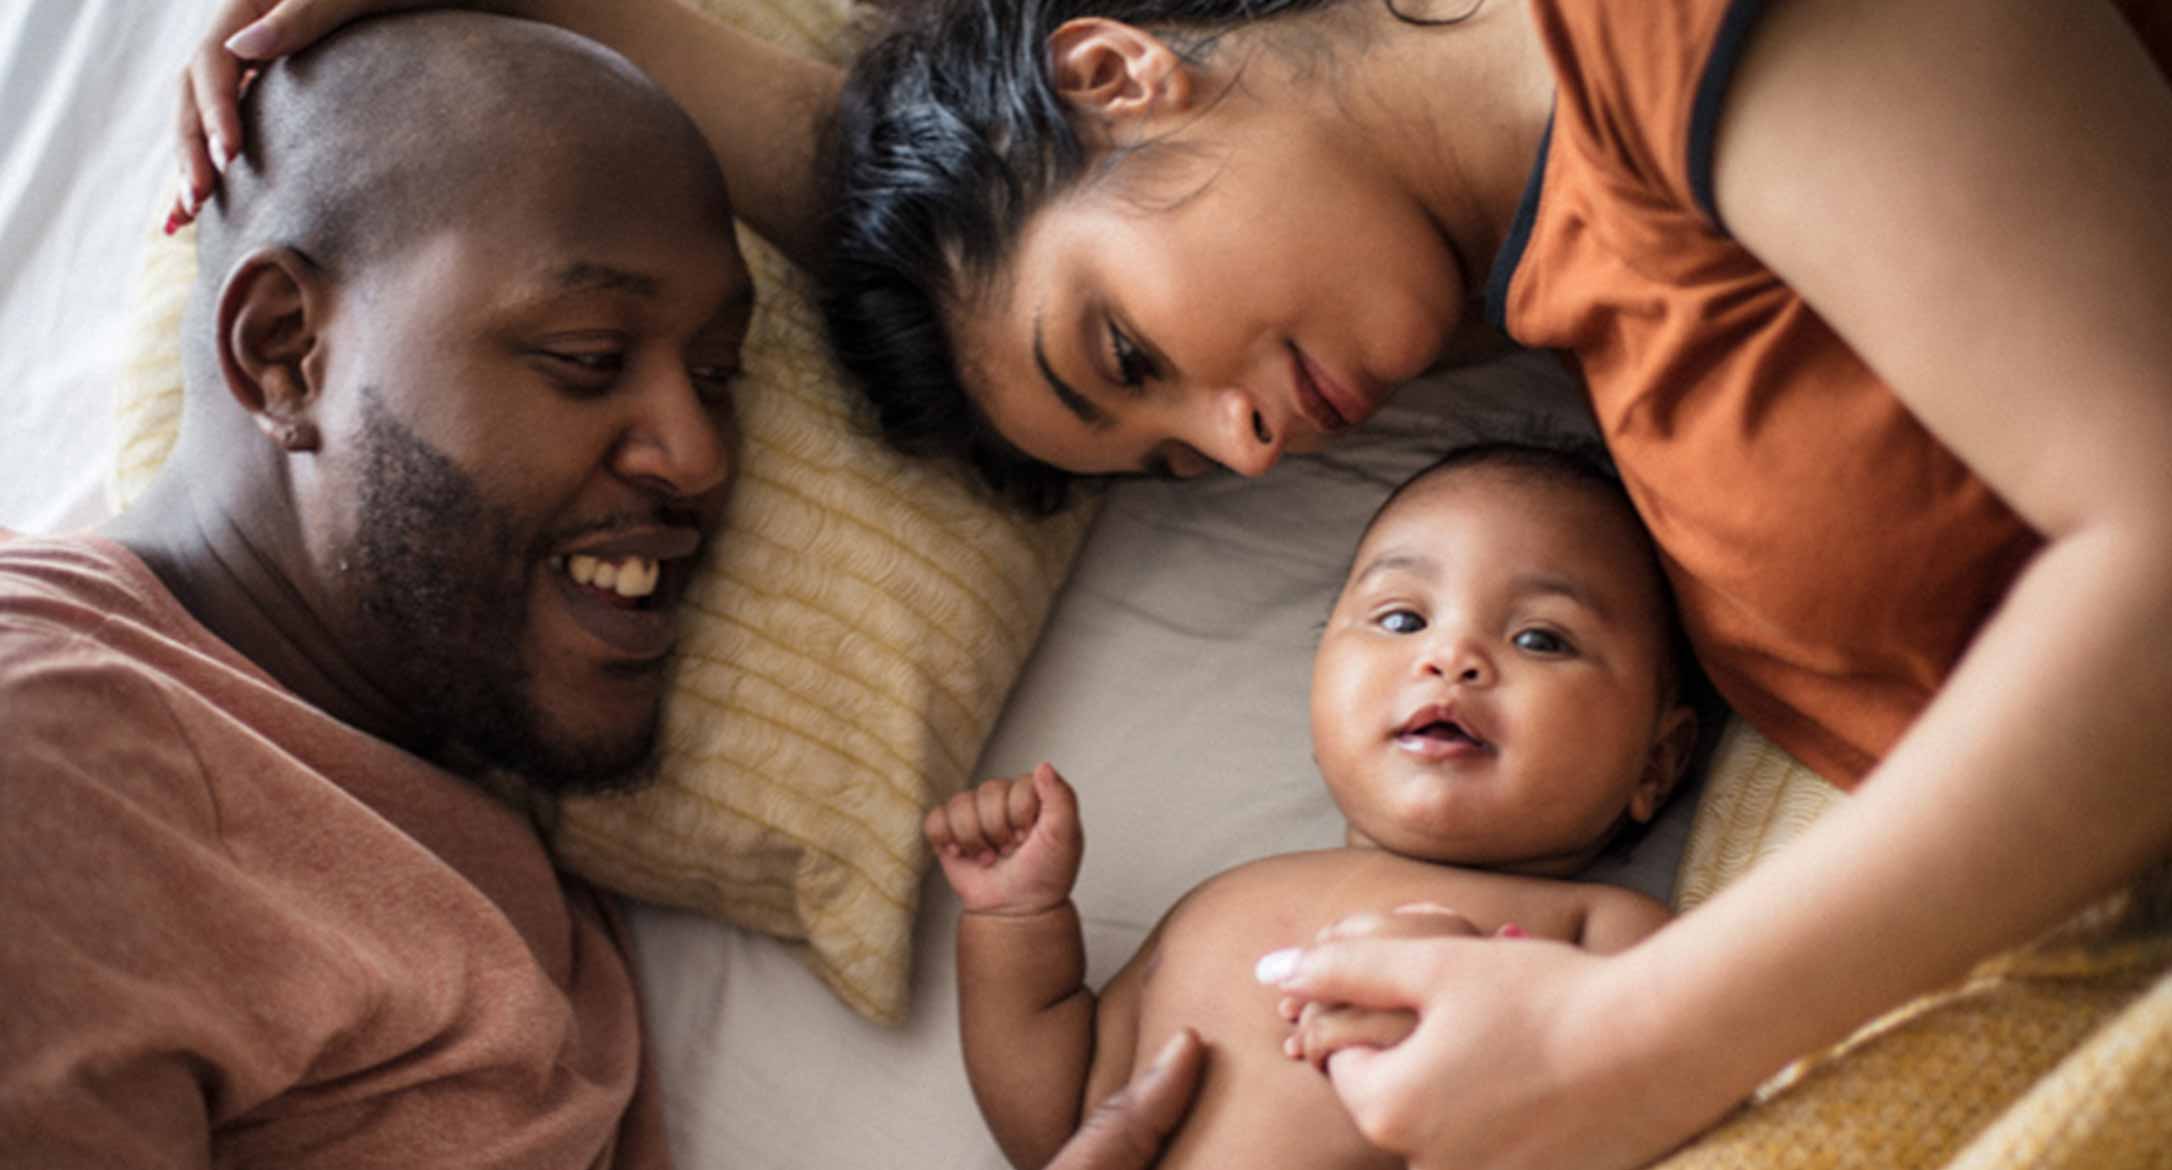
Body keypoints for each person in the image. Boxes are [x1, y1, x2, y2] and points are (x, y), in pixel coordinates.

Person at [174, 1, 2172, 1168]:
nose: (1241, 452)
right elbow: (922, 167)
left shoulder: (1665, 33)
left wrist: (1630, 1053)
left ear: (1127, 71)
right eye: (1158, 454)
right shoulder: (1530, 256)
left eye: (1128, 365)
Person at [2, 11, 1199, 1169]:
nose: (699, 455)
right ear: (283, 351)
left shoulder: (428, 791)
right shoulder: (52, 743)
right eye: (586, 359)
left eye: (721, 374)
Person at [924, 445, 1699, 1170]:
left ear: (1656, 763)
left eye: (1541, 639)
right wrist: (1015, 927)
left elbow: (1679, 1100)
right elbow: (1060, 1120)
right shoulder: (1220, 908)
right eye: (1402, 620)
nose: (1450, 657)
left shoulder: (1607, 933)